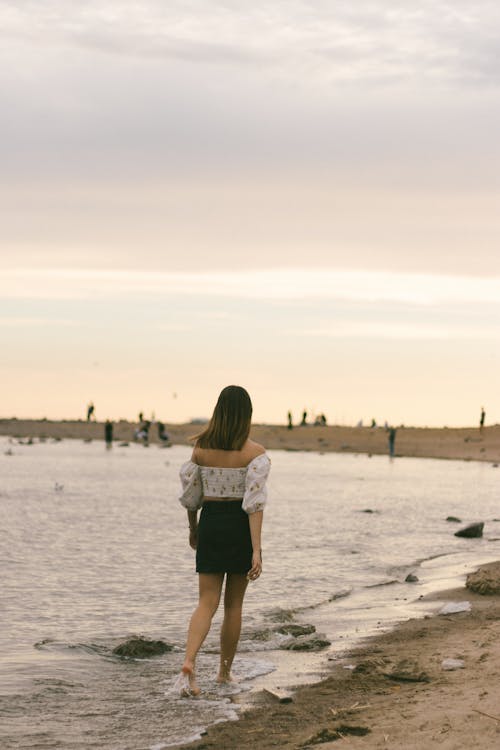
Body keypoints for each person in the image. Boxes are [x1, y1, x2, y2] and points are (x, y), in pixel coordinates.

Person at [176, 385, 270, 697]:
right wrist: (256, 550)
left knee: (206, 602)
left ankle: (189, 662)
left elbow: (192, 499)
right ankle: (224, 672)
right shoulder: (255, 455)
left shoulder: (200, 449)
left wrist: (194, 530)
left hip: (211, 524)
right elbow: (254, 505)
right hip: (239, 528)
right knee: (233, 605)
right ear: (247, 416)